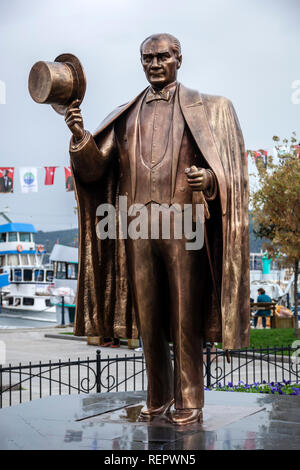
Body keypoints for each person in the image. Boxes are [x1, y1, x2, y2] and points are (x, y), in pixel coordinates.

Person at [66, 33, 249, 425]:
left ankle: (190, 399)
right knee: (148, 320)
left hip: (185, 229)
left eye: (162, 56)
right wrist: (80, 137)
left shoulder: (206, 109)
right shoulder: (126, 114)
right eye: (146, 58)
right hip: (136, 229)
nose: (154, 64)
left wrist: (211, 180)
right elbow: (96, 168)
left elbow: (228, 171)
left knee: (184, 316)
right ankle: (158, 395)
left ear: (178, 59)